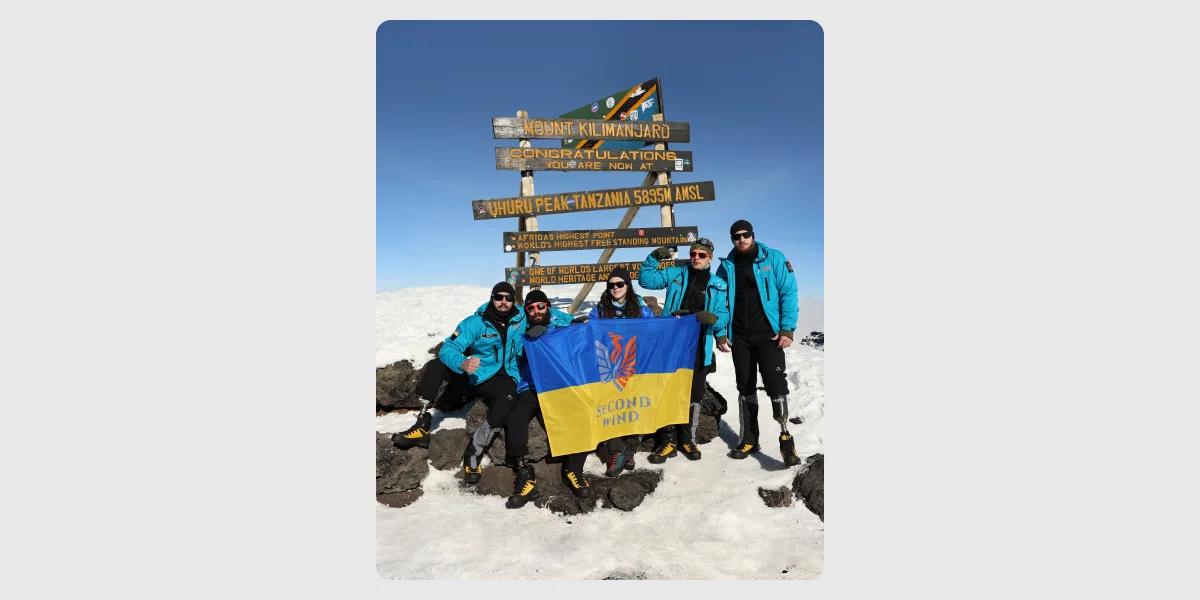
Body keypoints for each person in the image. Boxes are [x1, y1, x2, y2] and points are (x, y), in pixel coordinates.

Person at [714, 220, 802, 467]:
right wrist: (720, 331)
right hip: (740, 336)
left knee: (775, 384)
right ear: (732, 239)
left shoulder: (773, 258)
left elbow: (788, 291)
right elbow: (718, 301)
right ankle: (749, 439)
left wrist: (787, 328)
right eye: (736, 236)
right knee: (745, 386)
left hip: (768, 335)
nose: (741, 239)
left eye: (745, 235)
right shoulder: (727, 265)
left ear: (753, 235)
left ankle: (786, 438)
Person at [423, 283, 529, 484]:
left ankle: (474, 451)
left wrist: (575, 321)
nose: (503, 302)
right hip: (478, 374)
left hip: (507, 377)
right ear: (492, 298)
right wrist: (462, 363)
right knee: (436, 365)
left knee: (507, 402)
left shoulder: (521, 317)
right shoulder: (475, 322)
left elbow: (548, 313)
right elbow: (449, 348)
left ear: (513, 300)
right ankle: (422, 421)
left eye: (508, 298)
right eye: (499, 297)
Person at [638, 237, 730, 463]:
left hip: (699, 342)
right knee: (668, 389)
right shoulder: (676, 274)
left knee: (694, 392)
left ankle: (688, 439)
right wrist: (653, 259)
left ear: (709, 258)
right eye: (693, 254)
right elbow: (646, 280)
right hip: (672, 340)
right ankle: (668, 441)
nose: (696, 258)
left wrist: (714, 319)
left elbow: (723, 315)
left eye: (701, 255)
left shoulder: (718, 284)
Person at [503, 290, 583, 508]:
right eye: (531, 308)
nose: (536, 311)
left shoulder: (562, 322)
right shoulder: (521, 328)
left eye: (540, 306)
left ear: (548, 306)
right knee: (516, 418)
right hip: (532, 385)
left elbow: (577, 340)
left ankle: (573, 469)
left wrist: (576, 328)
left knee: (579, 415)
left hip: (559, 385)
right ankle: (525, 474)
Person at [586, 266, 655, 477]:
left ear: (628, 285)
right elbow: (588, 334)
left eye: (620, 284)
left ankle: (629, 450)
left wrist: (676, 322)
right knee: (608, 408)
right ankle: (616, 451)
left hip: (636, 367)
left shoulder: (642, 310)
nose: (615, 288)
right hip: (609, 368)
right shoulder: (599, 311)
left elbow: (655, 332)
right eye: (611, 285)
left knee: (638, 405)